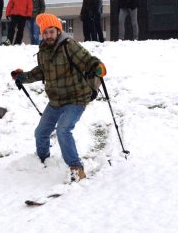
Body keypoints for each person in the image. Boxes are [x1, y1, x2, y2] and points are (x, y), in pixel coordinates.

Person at [10, 13, 107, 182]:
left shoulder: (69, 45)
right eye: (45, 32)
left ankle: (76, 169)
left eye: (51, 32)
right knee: (41, 133)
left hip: (76, 98)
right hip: (56, 100)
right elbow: (41, 71)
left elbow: (87, 60)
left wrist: (97, 67)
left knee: (63, 129)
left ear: (58, 31)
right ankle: (42, 162)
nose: (48, 35)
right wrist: (22, 77)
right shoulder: (43, 50)